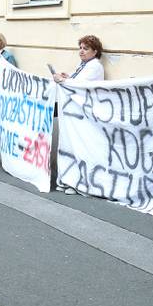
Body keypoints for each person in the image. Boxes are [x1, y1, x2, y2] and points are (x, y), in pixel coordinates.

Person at [51, 35, 106, 194]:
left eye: (86, 48)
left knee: (81, 148)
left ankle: (79, 183)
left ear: (95, 52)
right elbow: (77, 81)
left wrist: (61, 80)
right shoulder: (83, 65)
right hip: (74, 113)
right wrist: (68, 77)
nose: (81, 51)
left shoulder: (94, 66)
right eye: (80, 48)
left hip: (84, 114)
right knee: (70, 147)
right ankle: (69, 179)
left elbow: (81, 86)